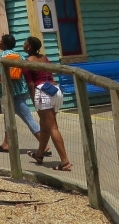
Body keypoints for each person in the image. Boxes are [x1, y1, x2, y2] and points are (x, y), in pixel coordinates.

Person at [23, 36, 72, 171]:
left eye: (25, 43)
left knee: (52, 127)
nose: (23, 45)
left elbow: (31, 85)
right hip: (55, 90)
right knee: (44, 125)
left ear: (29, 47)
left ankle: (65, 162)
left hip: (42, 93)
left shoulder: (26, 62)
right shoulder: (44, 58)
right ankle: (39, 155)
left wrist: (34, 102)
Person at [0, 33, 45, 155]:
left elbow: (1, 74)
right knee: (8, 117)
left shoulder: (2, 55)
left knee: (27, 118)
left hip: (13, 93)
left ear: (4, 44)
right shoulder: (20, 56)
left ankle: (44, 144)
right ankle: (6, 143)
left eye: (1, 40)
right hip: (22, 89)